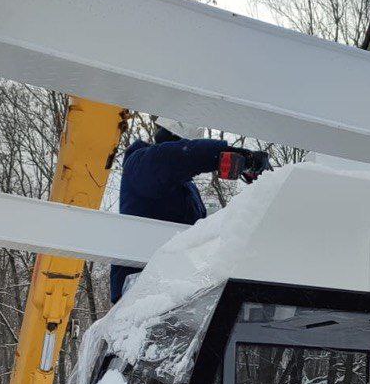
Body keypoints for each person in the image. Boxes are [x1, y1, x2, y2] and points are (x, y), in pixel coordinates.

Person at [109, 119, 270, 303]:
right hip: (139, 285)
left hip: (173, 284)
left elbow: (199, 231)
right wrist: (232, 155)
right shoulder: (140, 164)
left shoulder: (185, 188)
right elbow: (175, 157)